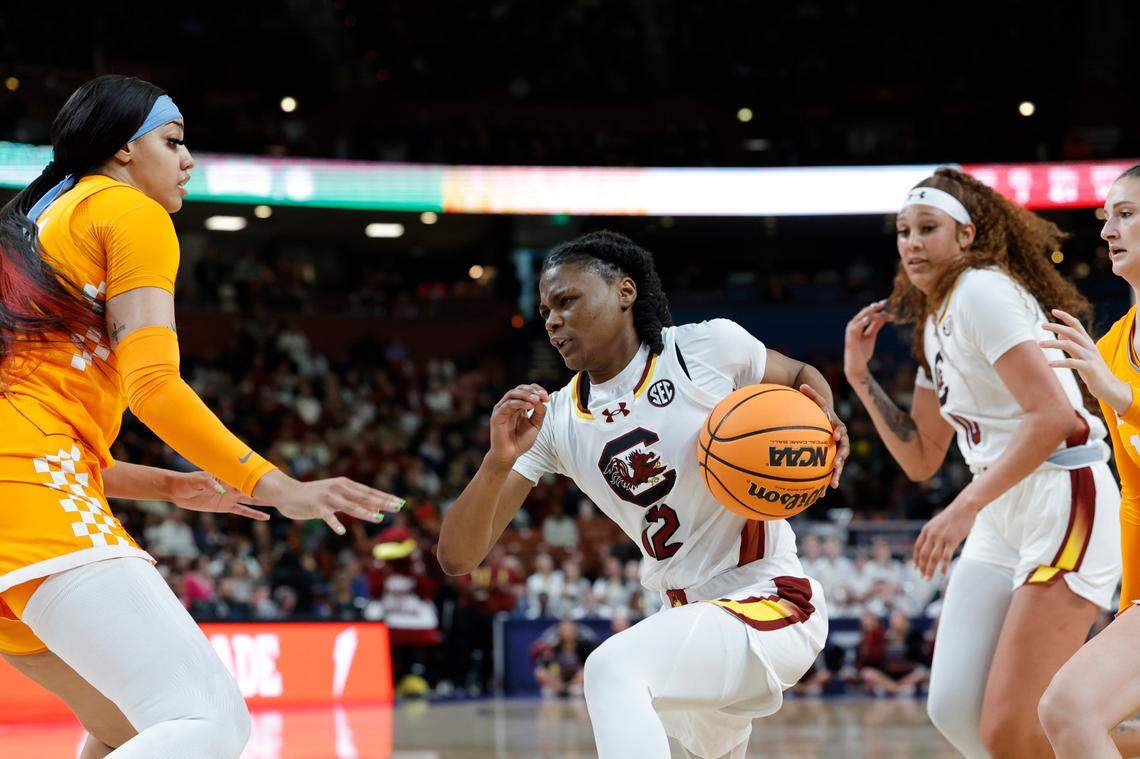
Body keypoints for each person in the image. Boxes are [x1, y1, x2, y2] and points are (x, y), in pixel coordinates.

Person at [0, 75, 402, 759]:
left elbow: (39, 430)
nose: (190, 160)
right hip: (34, 498)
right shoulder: (128, 211)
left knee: (131, 730)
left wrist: (173, 484)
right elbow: (154, 386)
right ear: (124, 151)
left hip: (23, 496)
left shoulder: (40, 231)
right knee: (210, 720)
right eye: (174, 141)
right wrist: (275, 483)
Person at [438, 231, 849, 759]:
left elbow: (797, 375)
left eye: (567, 300)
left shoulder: (706, 349)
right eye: (545, 309)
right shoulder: (555, 421)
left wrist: (826, 417)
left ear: (625, 291)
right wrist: (496, 464)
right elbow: (457, 557)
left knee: (613, 669)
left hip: (767, 596)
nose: (552, 320)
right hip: (681, 620)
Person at [843, 167, 1121, 757]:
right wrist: (859, 378)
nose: (912, 242)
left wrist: (960, 510)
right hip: (1002, 507)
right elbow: (922, 457)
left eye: (927, 228)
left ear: (967, 236)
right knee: (955, 710)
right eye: (903, 231)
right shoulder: (933, 320)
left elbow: (1055, 418)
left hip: (1064, 495)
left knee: (1012, 731)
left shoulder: (982, 291)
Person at [1037, 165, 1140, 758]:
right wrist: (1131, 609)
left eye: (1126, 213)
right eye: (1106, 218)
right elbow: (1136, 493)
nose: (1107, 231)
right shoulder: (1107, 351)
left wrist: (1124, 396)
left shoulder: (1108, 373)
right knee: (1075, 712)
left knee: (1068, 706)